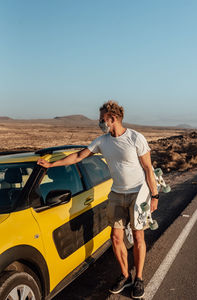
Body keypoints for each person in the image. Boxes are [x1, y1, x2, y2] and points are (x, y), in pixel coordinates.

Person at [37, 100, 158, 299]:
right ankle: (125, 275)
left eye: (102, 119)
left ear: (113, 118)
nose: (99, 122)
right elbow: (78, 156)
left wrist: (154, 195)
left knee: (138, 237)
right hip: (117, 193)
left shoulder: (136, 138)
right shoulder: (102, 141)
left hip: (138, 193)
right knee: (116, 238)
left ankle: (139, 278)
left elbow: (148, 169)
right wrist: (52, 165)